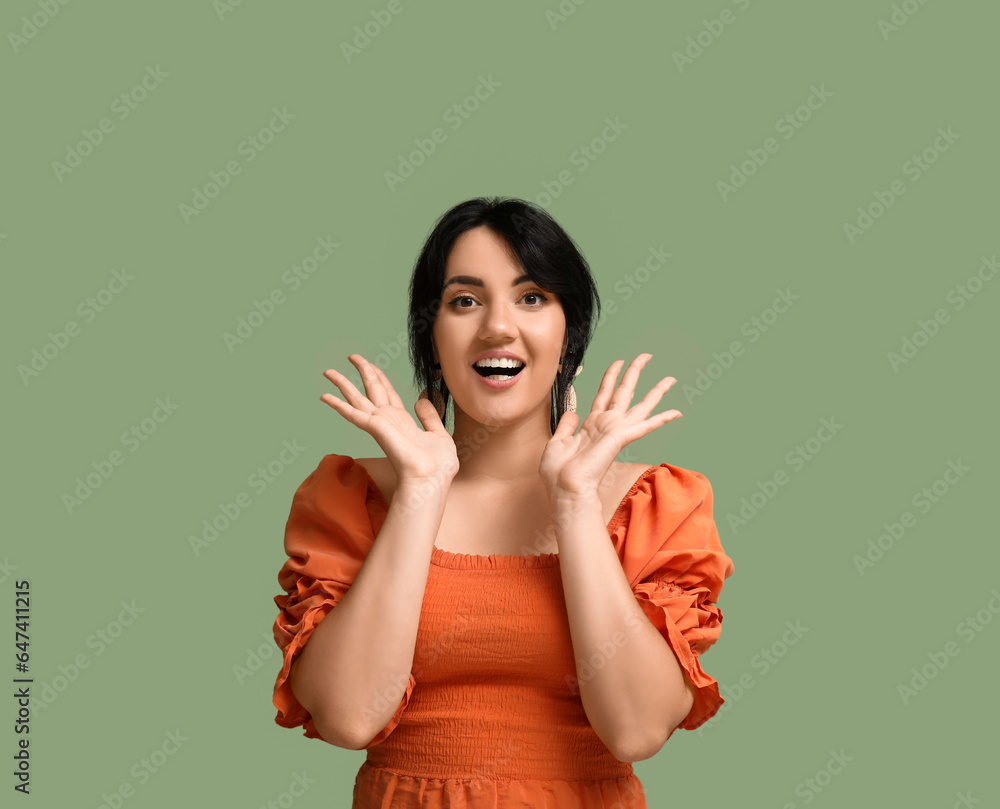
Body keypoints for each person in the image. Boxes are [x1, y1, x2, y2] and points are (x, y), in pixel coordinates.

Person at [270, 196, 735, 808]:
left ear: (570, 331)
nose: (497, 326)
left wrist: (572, 502)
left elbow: (638, 728)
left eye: (532, 297)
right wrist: (421, 493)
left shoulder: (654, 502)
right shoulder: (353, 496)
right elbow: (348, 717)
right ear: (428, 331)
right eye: (464, 300)